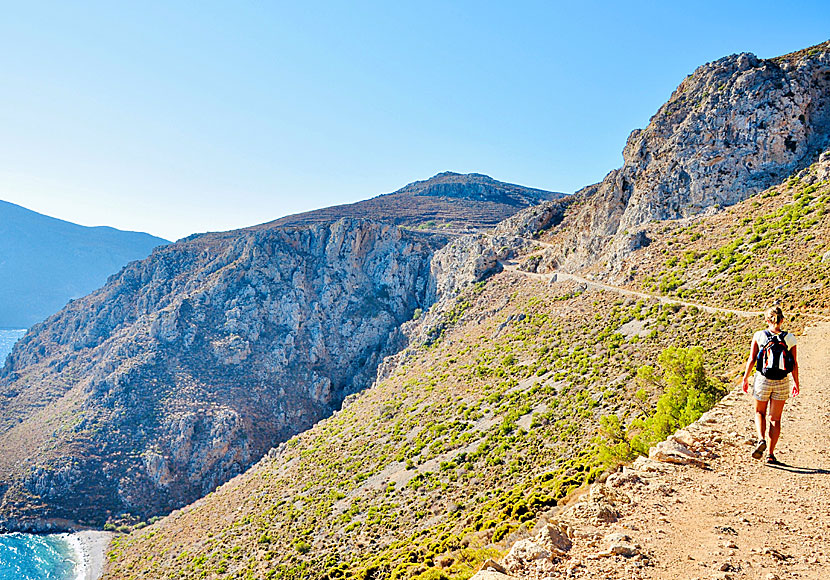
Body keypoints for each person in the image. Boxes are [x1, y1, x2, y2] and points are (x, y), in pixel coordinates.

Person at [741, 306, 800, 464]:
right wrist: (796, 383)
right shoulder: (790, 338)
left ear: (767, 320)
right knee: (775, 419)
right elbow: (794, 364)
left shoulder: (759, 335)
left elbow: (752, 359)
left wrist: (745, 378)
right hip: (782, 381)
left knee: (759, 412)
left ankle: (761, 440)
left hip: (763, 380)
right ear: (782, 320)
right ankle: (771, 454)